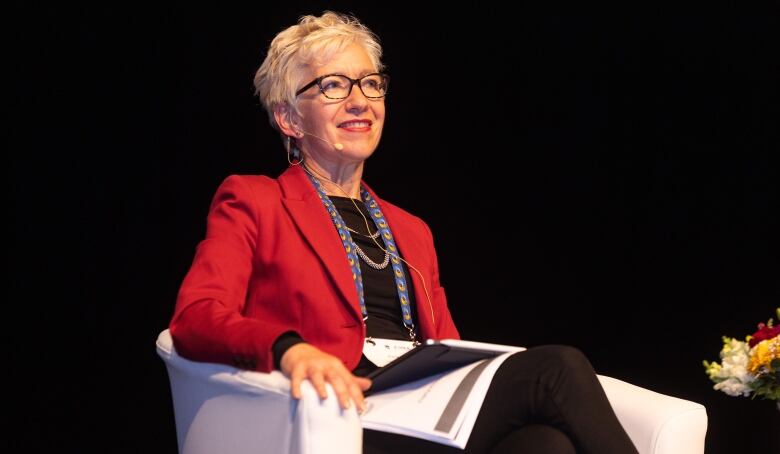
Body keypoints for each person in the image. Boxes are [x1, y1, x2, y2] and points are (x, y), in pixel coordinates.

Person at [169, 11, 638, 454]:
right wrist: (289, 351)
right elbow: (197, 316)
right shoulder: (255, 200)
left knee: (544, 445)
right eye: (333, 86)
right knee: (556, 369)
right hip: (340, 410)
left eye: (371, 83)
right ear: (290, 118)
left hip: (424, 405)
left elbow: (450, 348)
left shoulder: (411, 229)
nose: (361, 100)